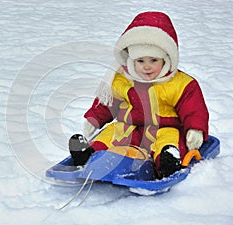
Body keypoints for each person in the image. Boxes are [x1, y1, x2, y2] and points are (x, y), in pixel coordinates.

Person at [68, 11, 209, 178]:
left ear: (166, 59)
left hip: (164, 128)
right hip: (129, 127)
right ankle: (89, 154)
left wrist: (195, 129)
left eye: (153, 60)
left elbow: (193, 109)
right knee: (112, 134)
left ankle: (167, 161)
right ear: (131, 59)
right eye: (140, 61)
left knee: (169, 139)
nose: (146, 67)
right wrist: (94, 119)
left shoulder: (180, 84)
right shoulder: (122, 80)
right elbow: (107, 103)